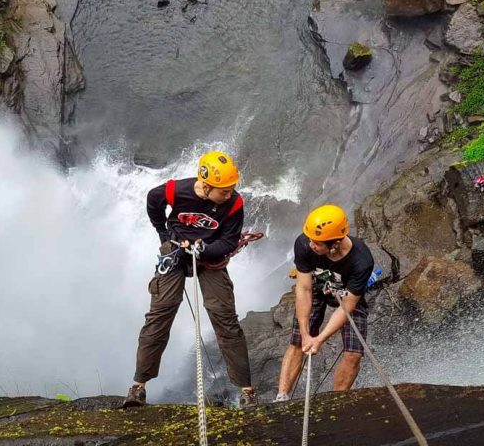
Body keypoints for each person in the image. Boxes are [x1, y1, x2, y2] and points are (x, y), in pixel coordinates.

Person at [121, 151, 258, 409]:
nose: (229, 194)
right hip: (175, 250)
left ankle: (247, 390)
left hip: (210, 256)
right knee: (161, 313)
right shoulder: (177, 191)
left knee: (224, 316)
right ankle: (138, 386)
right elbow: (153, 199)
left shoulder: (234, 203)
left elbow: (228, 240)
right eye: (223, 190)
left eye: (231, 189)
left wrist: (204, 250)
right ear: (205, 185)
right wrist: (163, 232)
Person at [275, 204, 375, 400]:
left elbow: (347, 306)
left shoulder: (361, 260)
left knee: (354, 353)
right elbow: (303, 290)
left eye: (317, 243)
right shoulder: (304, 243)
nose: (311, 244)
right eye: (311, 240)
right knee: (298, 342)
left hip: (346, 294)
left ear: (335, 243)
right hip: (316, 286)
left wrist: (320, 339)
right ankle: (281, 397)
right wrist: (306, 334)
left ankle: (335, 401)